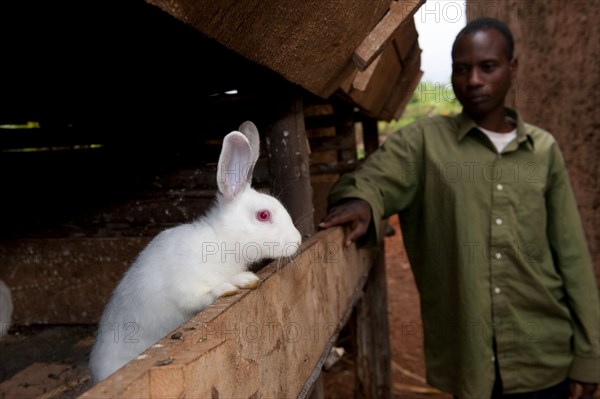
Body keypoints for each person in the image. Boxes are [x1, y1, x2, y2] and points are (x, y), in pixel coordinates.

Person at [319, 17, 599, 399]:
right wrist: (363, 203)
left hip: (544, 354)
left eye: (488, 67)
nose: (474, 80)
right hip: (469, 361)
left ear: (512, 68)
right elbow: (371, 180)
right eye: (461, 69)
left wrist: (589, 356)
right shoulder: (423, 144)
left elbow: (572, 258)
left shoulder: (543, 150)